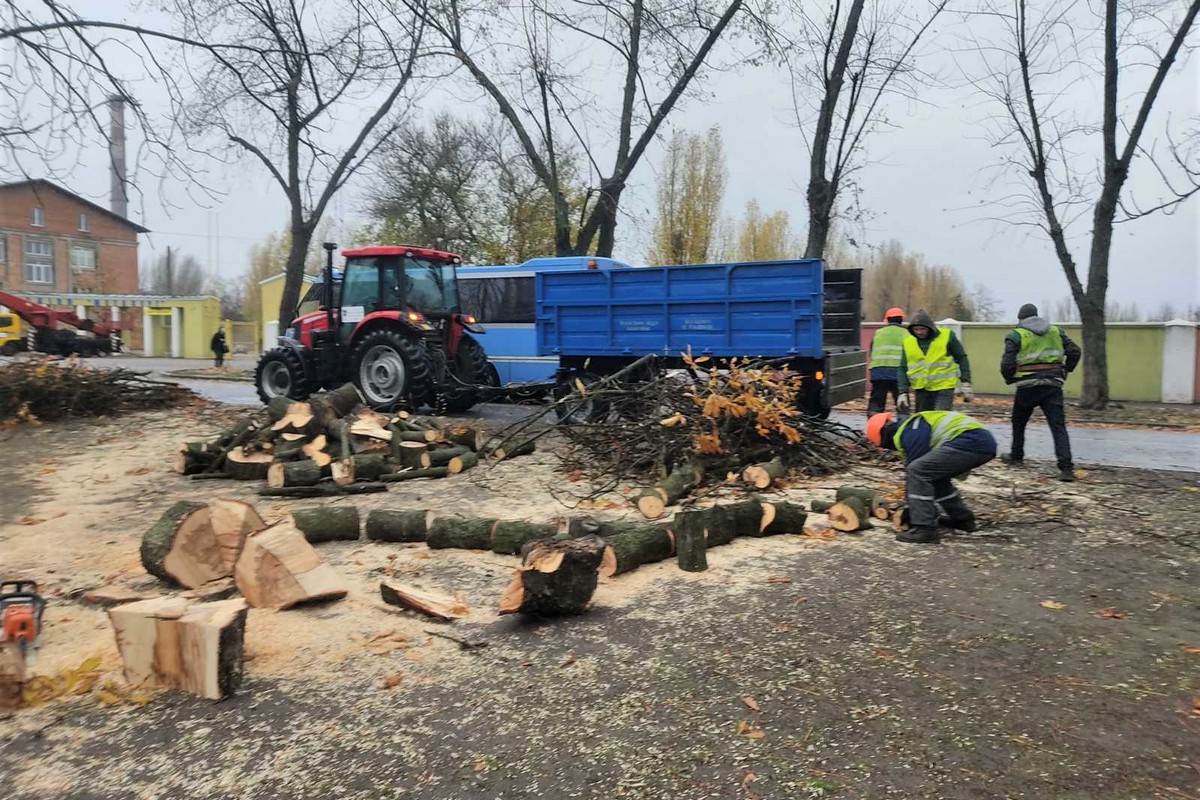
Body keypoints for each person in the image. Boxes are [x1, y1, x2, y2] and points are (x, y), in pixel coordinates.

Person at [866, 410, 997, 544]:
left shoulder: (911, 430)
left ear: (884, 436)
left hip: (970, 441)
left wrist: (911, 509)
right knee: (935, 476)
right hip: (977, 441)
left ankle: (924, 528)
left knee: (918, 470)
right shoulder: (913, 426)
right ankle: (962, 519)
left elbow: (914, 472)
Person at [1000, 303, 1082, 482]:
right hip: (1052, 386)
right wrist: (1067, 369)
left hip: (1027, 387)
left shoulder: (1016, 334)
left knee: (1018, 422)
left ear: (1021, 319)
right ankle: (1066, 468)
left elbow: (1007, 363)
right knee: (1058, 426)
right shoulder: (1056, 332)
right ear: (1037, 316)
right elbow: (1075, 351)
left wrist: (1009, 378)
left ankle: (1016, 455)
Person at [897, 310, 972, 412]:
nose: (919, 332)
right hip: (921, 390)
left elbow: (962, 358)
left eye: (922, 329)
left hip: (944, 387)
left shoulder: (947, 336)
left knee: (939, 417)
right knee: (924, 420)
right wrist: (903, 392)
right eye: (916, 329)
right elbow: (902, 368)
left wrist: (965, 382)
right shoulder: (908, 342)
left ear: (930, 327)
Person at [866, 307, 907, 416]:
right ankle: (903, 428)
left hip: (878, 372)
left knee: (876, 404)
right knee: (902, 403)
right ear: (901, 320)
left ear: (887, 319)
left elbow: (871, 352)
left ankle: (874, 428)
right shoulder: (906, 334)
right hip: (898, 374)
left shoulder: (878, 333)